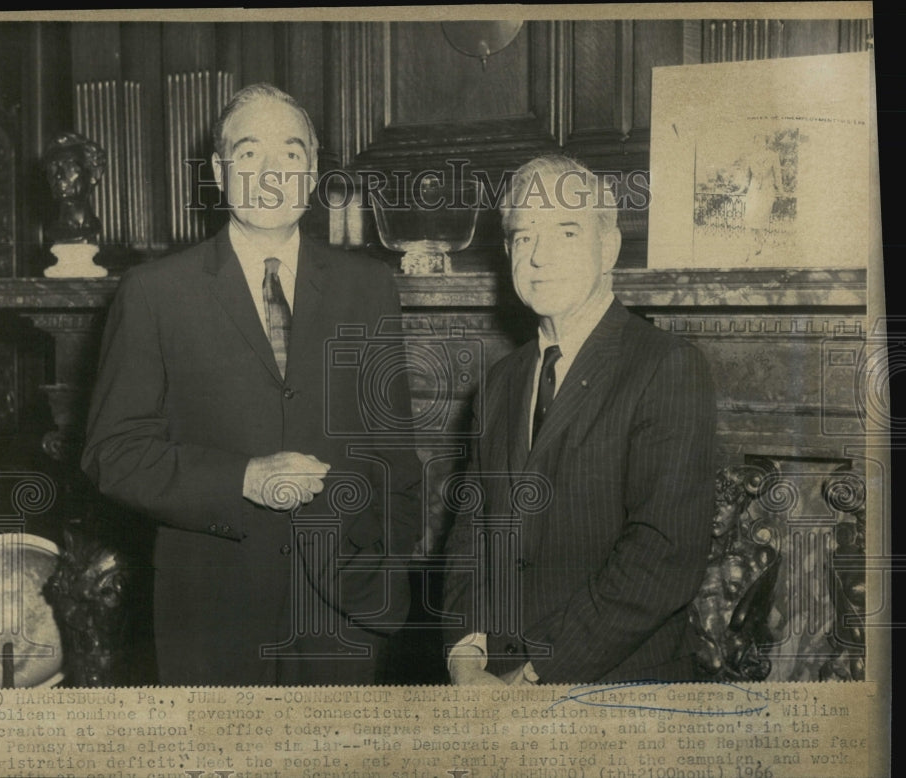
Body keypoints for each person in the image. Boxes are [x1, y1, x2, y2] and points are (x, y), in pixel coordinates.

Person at [81, 83, 421, 686]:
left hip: (343, 616)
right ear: (217, 170)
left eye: (290, 154)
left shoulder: (368, 288)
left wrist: (384, 576)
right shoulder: (155, 293)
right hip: (210, 616)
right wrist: (243, 479)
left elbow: (395, 454)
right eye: (248, 154)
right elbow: (115, 454)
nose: (270, 174)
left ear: (313, 171)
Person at [442, 155, 717, 685]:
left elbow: (661, 557)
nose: (540, 256)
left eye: (566, 231)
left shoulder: (666, 365)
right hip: (490, 684)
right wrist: (466, 653)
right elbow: (472, 530)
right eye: (524, 237)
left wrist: (530, 674)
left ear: (608, 246)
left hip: (615, 691)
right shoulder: (500, 381)